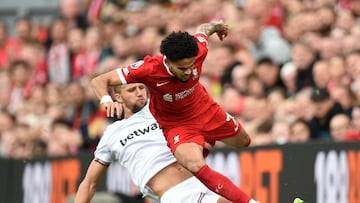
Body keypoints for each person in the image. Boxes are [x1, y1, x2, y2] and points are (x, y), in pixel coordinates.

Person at [91, 21, 257, 203]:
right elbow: (100, 80)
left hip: (205, 110)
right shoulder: (150, 69)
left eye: (191, 66)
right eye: (182, 68)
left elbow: (203, 30)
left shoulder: (199, 50)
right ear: (168, 61)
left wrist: (217, 26)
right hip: (177, 125)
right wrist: (106, 100)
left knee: (244, 141)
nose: (188, 72)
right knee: (194, 164)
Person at [74, 83, 234, 203]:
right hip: (176, 194)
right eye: (131, 90)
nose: (139, 93)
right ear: (118, 97)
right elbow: (89, 183)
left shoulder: (161, 107)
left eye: (141, 88)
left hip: (202, 182)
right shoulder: (112, 133)